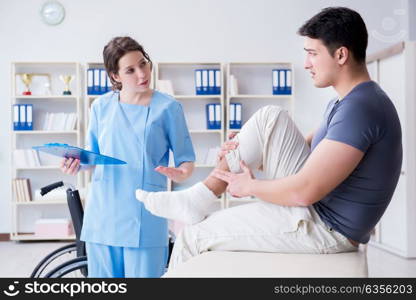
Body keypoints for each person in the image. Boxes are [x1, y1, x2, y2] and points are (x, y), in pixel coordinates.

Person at [135, 7, 402, 271]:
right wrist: (243, 151)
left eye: (312, 54)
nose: (306, 63)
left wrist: (248, 186)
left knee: (192, 237)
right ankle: (199, 197)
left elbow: (305, 189)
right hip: (319, 211)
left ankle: (196, 200)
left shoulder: (361, 108)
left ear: (341, 54)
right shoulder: (346, 102)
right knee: (270, 118)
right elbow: (309, 153)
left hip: (326, 227)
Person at [60, 36, 196, 277]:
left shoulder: (168, 107)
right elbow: (92, 158)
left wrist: (181, 172)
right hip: (103, 216)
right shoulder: (100, 107)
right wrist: (77, 163)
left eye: (143, 64)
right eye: (130, 70)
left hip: (145, 215)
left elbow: (186, 160)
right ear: (115, 76)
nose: (142, 74)